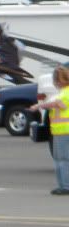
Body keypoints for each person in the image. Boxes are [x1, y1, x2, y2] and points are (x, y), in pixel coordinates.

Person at [30, 65, 69, 195]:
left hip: (64, 131)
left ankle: (65, 186)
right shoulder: (63, 92)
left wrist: (39, 106)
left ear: (59, 80)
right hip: (59, 131)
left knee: (62, 159)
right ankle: (62, 185)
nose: (55, 83)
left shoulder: (65, 93)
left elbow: (58, 104)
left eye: (56, 80)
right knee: (60, 159)